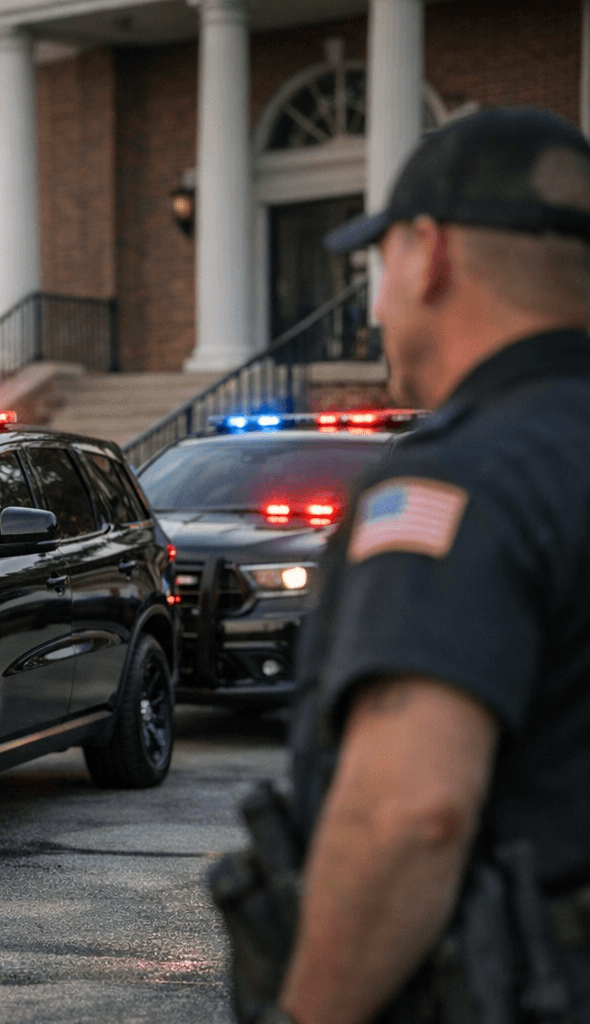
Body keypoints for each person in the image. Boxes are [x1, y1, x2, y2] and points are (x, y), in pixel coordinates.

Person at [266, 107, 590, 1024]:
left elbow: (412, 814)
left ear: (429, 251)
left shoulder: (461, 478)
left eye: (379, 268)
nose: (374, 306)